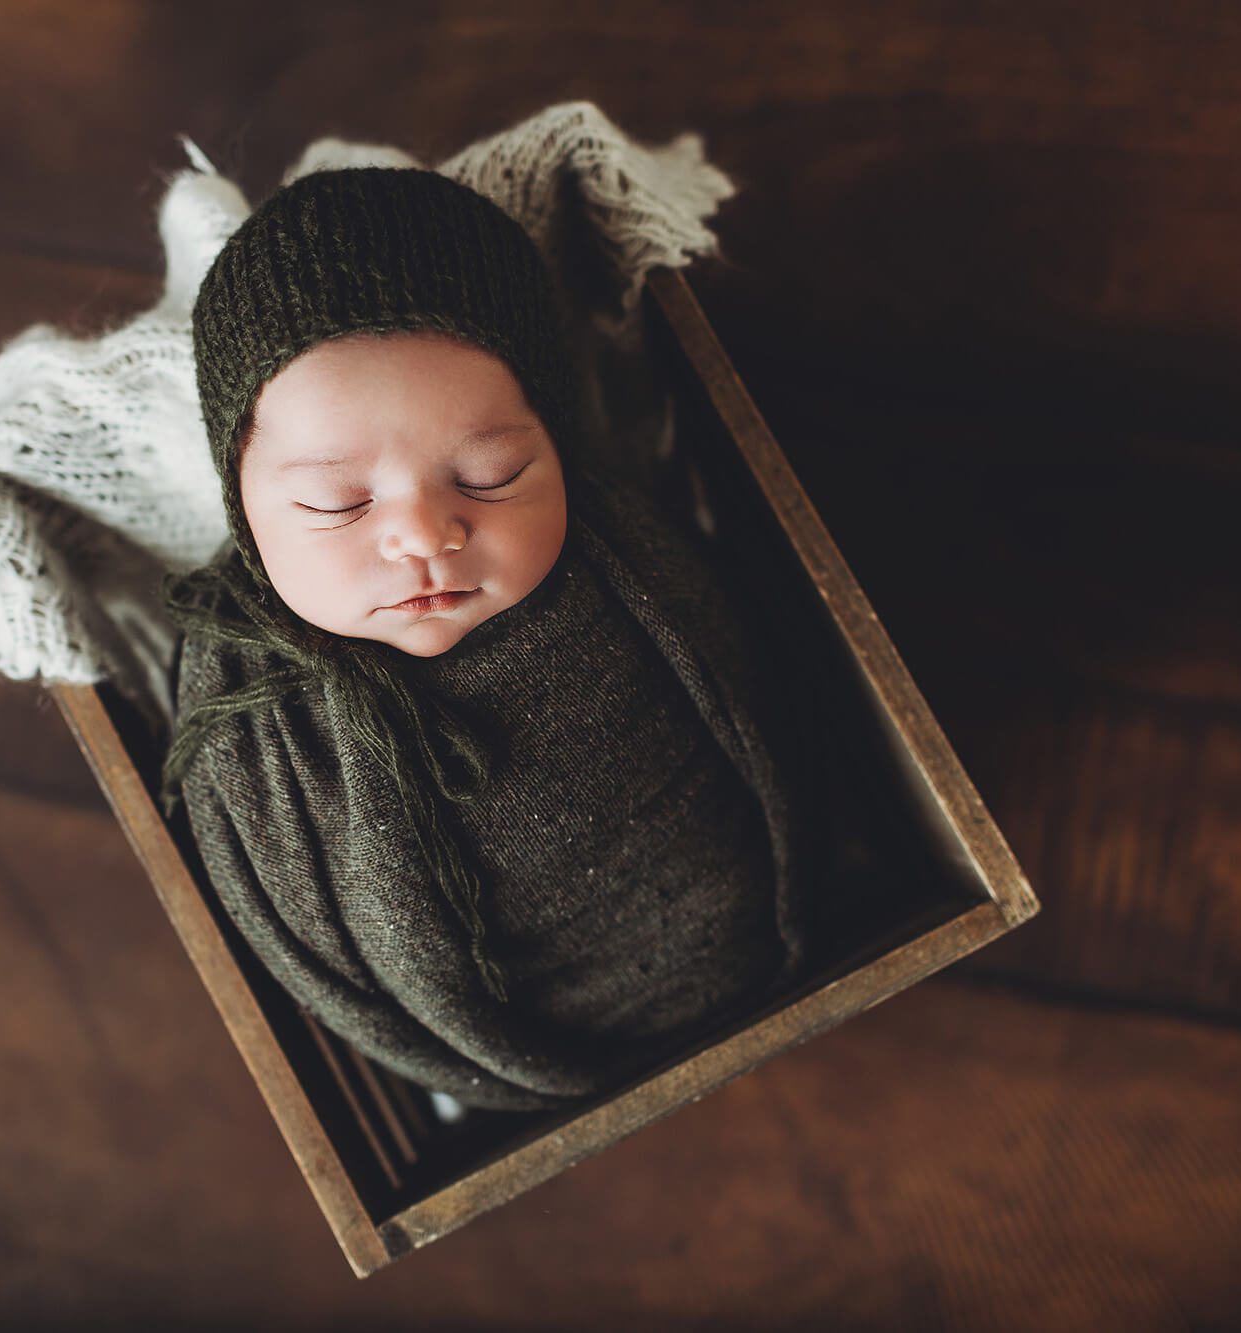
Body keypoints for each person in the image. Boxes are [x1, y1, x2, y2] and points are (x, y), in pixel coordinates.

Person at [159, 166, 819, 1112]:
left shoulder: (625, 563)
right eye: (334, 501)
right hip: (506, 1067)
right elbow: (285, 923)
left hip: (751, 940)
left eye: (492, 473)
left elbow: (759, 696)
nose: (426, 535)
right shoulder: (248, 700)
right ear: (243, 504)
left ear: (560, 450)